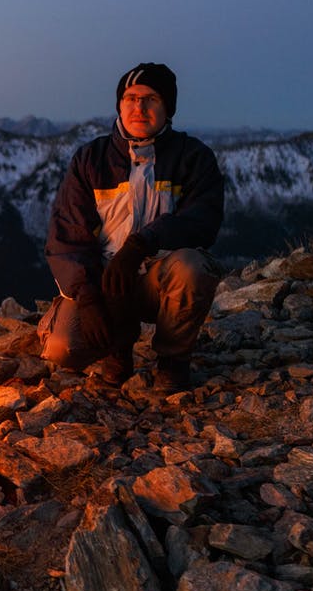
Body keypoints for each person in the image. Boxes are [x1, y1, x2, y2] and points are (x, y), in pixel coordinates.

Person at [38, 62, 224, 393]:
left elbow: (202, 220)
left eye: (151, 98)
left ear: (168, 108)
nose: (139, 107)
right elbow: (67, 235)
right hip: (103, 282)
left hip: (159, 278)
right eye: (130, 97)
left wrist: (141, 244)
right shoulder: (91, 159)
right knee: (61, 348)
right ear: (120, 105)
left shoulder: (192, 158)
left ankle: (173, 361)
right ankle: (117, 351)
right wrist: (87, 297)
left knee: (193, 267)